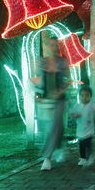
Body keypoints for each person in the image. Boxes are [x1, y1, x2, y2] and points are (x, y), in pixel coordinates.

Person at [37, 36, 69, 171]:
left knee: (55, 126)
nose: (54, 48)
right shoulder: (42, 62)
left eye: (56, 45)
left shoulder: (63, 62)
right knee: (54, 127)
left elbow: (68, 80)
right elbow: (37, 80)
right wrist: (37, 94)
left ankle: (47, 158)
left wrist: (60, 91)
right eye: (51, 45)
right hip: (45, 101)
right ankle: (59, 147)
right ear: (47, 47)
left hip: (60, 99)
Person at [69, 86, 95, 167]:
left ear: (90, 96)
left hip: (89, 129)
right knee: (81, 144)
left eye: (87, 95)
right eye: (82, 95)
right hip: (80, 129)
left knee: (87, 143)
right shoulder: (77, 106)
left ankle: (91, 152)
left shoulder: (93, 105)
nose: (84, 97)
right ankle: (82, 158)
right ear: (79, 96)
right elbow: (72, 113)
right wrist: (74, 115)